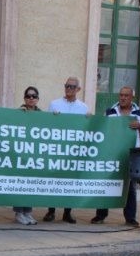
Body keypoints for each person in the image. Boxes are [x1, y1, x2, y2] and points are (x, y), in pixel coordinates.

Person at [90, 86, 140, 227]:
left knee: (129, 188)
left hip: (130, 155)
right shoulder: (110, 112)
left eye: (126, 95)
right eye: (121, 95)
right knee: (106, 184)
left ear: (132, 98)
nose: (123, 98)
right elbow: (101, 129)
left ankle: (130, 218)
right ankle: (101, 215)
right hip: (111, 155)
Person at [44, 76, 89, 224]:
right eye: (66, 86)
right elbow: (46, 125)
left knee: (71, 181)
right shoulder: (54, 104)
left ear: (78, 89)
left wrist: (90, 119)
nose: (68, 89)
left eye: (71, 87)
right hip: (57, 149)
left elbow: (86, 129)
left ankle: (67, 212)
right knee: (54, 180)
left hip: (73, 151)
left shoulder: (83, 107)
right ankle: (51, 211)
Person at [13, 86, 42, 225]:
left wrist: (55, 116)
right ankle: (19, 212)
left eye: (34, 96)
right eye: (29, 96)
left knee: (31, 183)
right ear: (25, 98)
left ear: (37, 99)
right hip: (21, 155)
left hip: (34, 156)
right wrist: (18, 114)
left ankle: (28, 212)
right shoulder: (19, 112)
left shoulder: (42, 114)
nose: (31, 98)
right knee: (20, 183)